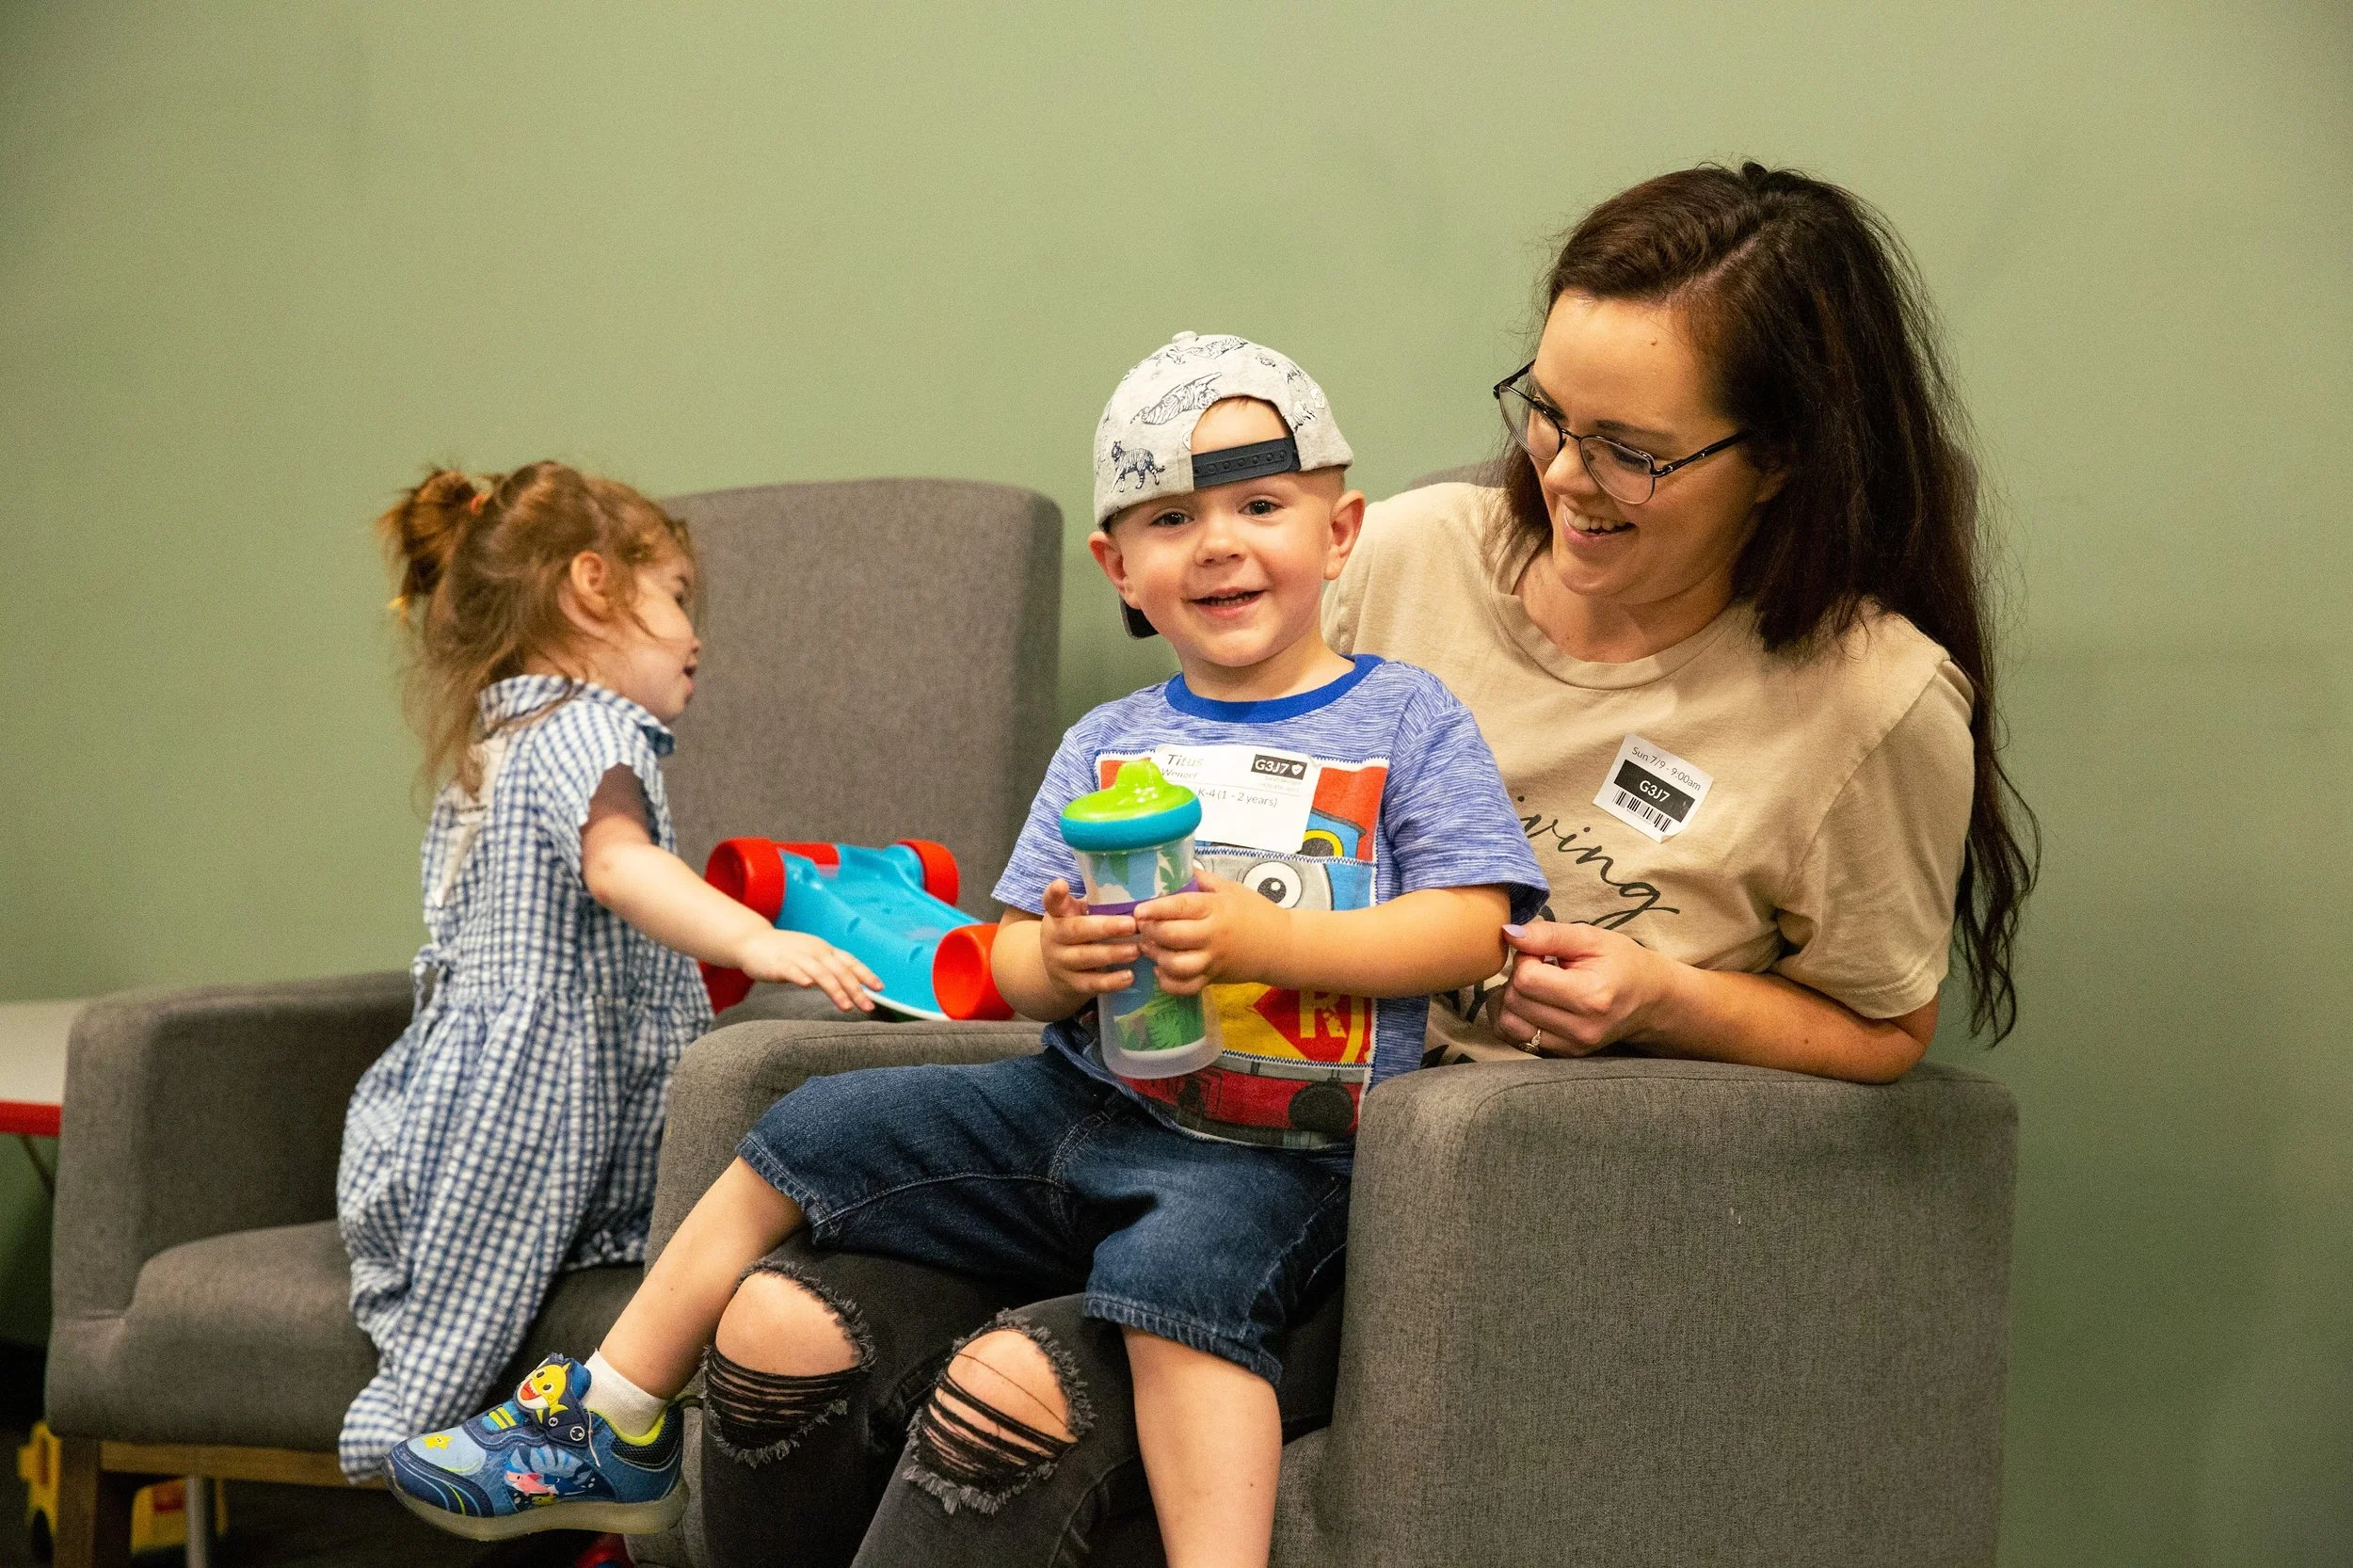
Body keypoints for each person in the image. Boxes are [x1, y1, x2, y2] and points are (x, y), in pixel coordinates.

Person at [378, 336, 1545, 1566]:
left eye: (1261, 504)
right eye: (1168, 517)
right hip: (1082, 1099)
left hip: (1278, 1145)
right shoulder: (1110, 738)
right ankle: (611, 1415)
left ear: (1340, 528)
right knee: (804, 1129)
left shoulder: (1405, 716)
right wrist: (1069, 959)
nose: (1218, 542)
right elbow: (1007, 959)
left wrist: (1275, 936)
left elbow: (1475, 924)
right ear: (1121, 568)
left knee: (1180, 1277)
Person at [1326, 162, 2036, 1081]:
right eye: (1546, 412)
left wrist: (1663, 998)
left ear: (1780, 457)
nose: (1565, 477)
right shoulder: (1399, 556)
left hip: (1514, 1171)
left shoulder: (1872, 703)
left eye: (1630, 452)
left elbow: (1885, 1032)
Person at [337, 462, 881, 1484]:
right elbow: (618, 865)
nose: (695, 631)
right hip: (533, 1104)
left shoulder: (504, 733)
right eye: (676, 595)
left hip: (457, 1095)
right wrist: (756, 942)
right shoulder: (589, 724)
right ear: (593, 584)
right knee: (473, 1318)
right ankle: (407, 1441)